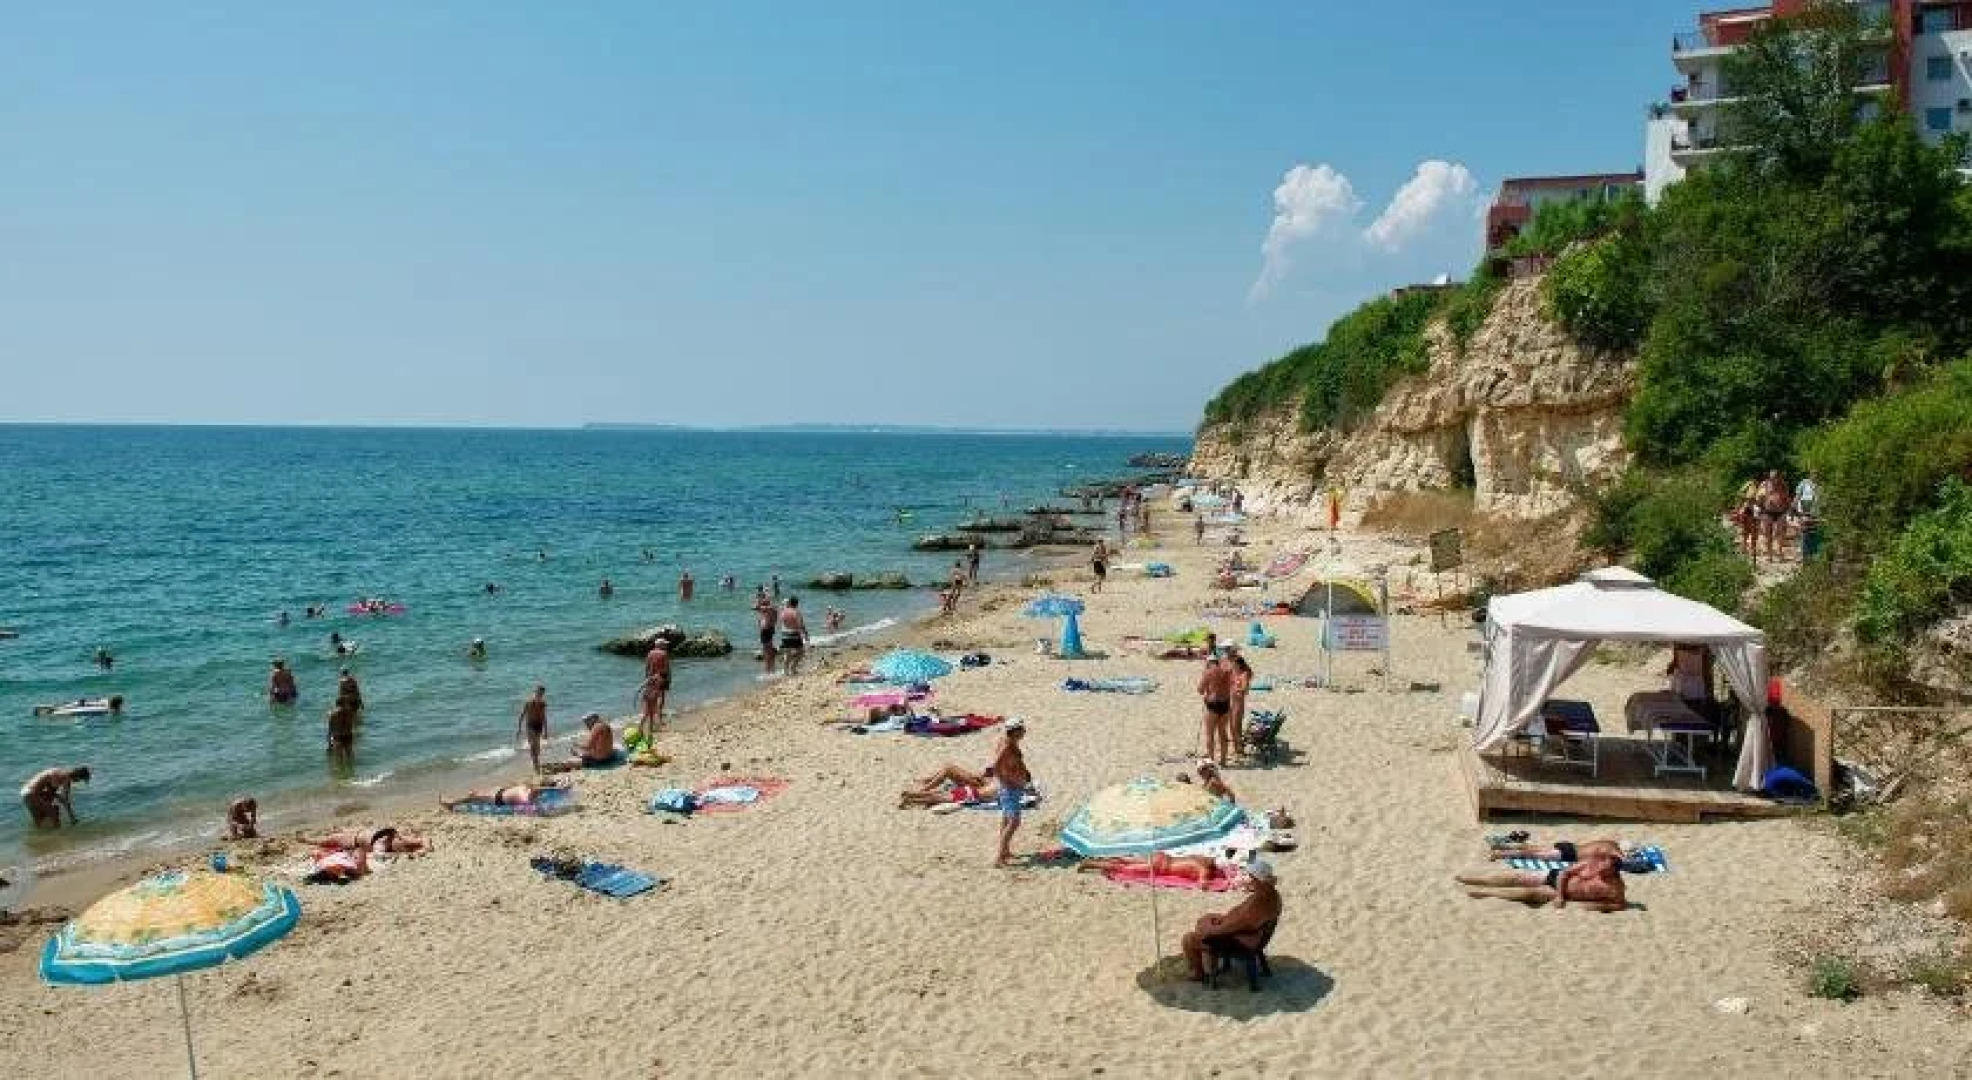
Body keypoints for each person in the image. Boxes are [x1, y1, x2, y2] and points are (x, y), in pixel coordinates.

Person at [1181, 859, 1283, 981]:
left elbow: (1242, 924)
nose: (1249, 879)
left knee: (1189, 939)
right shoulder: (1270, 894)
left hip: (1241, 941)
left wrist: (1214, 930)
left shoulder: (1261, 900)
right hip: (1249, 935)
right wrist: (1223, 919)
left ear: (1258, 879)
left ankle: (1198, 973)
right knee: (1207, 918)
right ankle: (1209, 962)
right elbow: (1243, 918)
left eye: (1251, 877)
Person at [1457, 850, 1627, 912]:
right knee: (1516, 878)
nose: (1600, 869)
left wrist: (1595, 907)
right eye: (1602, 864)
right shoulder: (1590, 864)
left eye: (1606, 869)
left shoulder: (1616, 888)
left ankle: (1486, 893)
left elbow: (1619, 904)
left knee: (1529, 894)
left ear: (1614, 872)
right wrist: (1560, 895)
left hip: (1564, 895)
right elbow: (1564, 873)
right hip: (1557, 881)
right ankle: (1475, 879)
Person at [1078, 850, 1242, 888]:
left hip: (1162, 856)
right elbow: (1202, 885)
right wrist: (1224, 882)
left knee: (1125, 861)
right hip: (1161, 867)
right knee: (1123, 868)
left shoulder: (1202, 857)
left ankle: (1099, 858)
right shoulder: (1204, 868)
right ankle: (1091, 864)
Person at [993, 719, 1032, 867]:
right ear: (1015, 731)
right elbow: (995, 766)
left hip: (1012, 787)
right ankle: (999, 857)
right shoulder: (1006, 746)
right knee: (1014, 822)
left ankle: (1005, 851)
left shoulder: (1009, 741)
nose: (1024, 731)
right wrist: (1005, 781)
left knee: (1006, 819)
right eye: (1022, 729)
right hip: (1010, 788)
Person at [21, 766, 90, 828]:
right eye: (80, 780)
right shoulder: (60, 776)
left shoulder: (64, 777)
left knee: (41, 819)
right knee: (54, 812)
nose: (78, 782)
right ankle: (59, 835)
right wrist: (71, 816)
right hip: (30, 793)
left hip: (27, 794)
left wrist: (72, 816)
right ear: (78, 777)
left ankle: (42, 837)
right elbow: (52, 794)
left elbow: (65, 800)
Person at [543, 714, 616, 772]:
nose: (586, 725)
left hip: (600, 760)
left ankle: (549, 767)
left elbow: (588, 747)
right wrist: (581, 754)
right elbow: (598, 745)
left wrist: (576, 745)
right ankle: (577, 757)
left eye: (587, 722)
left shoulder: (596, 727)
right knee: (582, 755)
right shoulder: (605, 725)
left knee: (569, 763)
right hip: (609, 756)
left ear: (592, 720)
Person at [1197, 651, 1233, 765]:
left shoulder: (1208, 672)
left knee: (1210, 734)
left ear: (1208, 663)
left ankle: (1211, 760)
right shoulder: (1227, 672)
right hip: (1225, 704)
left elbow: (1200, 690)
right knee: (1223, 733)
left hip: (1213, 704)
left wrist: (1208, 691)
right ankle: (1223, 760)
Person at [308, 825, 430, 855]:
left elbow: (425, 840)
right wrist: (425, 849)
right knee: (328, 840)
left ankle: (308, 840)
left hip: (356, 840)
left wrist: (423, 850)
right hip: (357, 837)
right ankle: (308, 840)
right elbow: (425, 840)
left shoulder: (404, 842)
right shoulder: (400, 840)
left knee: (327, 841)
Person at [441, 783, 562, 811]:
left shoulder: (526, 797)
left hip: (497, 799)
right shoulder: (529, 790)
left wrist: (540, 808)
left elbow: (530, 807)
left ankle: (450, 804)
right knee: (475, 795)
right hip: (500, 792)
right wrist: (558, 789)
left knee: (471, 798)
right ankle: (473, 795)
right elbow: (544, 789)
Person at [1757, 469, 1792, 561]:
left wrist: (1789, 509)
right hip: (1767, 511)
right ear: (1769, 477)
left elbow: (1787, 498)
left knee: (1780, 533)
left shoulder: (1783, 485)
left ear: (1778, 477)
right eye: (1772, 477)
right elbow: (1758, 498)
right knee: (1768, 534)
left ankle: (1780, 553)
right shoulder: (1764, 484)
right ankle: (1770, 555)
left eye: (1776, 477)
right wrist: (1760, 508)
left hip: (1781, 512)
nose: (1774, 479)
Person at [1224, 649, 1253, 756]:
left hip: (1238, 703)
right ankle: (1236, 747)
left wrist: (1235, 689)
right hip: (1231, 702)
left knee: (1236, 726)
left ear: (1239, 664)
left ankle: (1239, 748)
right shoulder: (1233, 673)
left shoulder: (1244, 674)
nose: (1232, 665)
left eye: (1233, 664)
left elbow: (1245, 689)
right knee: (1232, 726)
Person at [515, 684, 549, 772]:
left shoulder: (543, 704)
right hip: (530, 726)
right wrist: (519, 729)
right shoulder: (528, 702)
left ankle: (535, 760)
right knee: (533, 745)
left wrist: (546, 731)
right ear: (535, 692)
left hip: (539, 726)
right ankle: (536, 765)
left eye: (541, 694)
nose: (540, 695)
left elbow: (544, 717)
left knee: (537, 747)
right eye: (538, 693)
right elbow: (522, 715)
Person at [642, 639, 672, 726]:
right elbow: (666, 668)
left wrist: (647, 678)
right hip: (661, 677)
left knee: (652, 699)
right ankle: (659, 718)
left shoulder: (650, 653)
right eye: (664, 644)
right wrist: (669, 679)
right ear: (660, 645)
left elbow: (647, 667)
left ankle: (651, 721)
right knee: (661, 699)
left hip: (651, 678)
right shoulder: (664, 653)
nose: (665, 646)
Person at [779, 596, 809, 676]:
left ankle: (785, 671)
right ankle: (793, 668)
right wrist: (806, 634)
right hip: (794, 634)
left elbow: (782, 622)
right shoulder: (796, 612)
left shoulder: (783, 612)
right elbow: (801, 625)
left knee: (787, 654)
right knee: (801, 652)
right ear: (796, 604)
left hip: (784, 634)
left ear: (789, 603)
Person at [754, 588, 778, 674]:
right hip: (769, 629)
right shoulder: (771, 609)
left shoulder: (768, 609)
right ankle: (772, 669)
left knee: (767, 651)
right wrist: (764, 596)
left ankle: (768, 671)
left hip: (766, 630)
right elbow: (756, 607)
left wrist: (760, 598)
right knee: (769, 649)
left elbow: (755, 607)